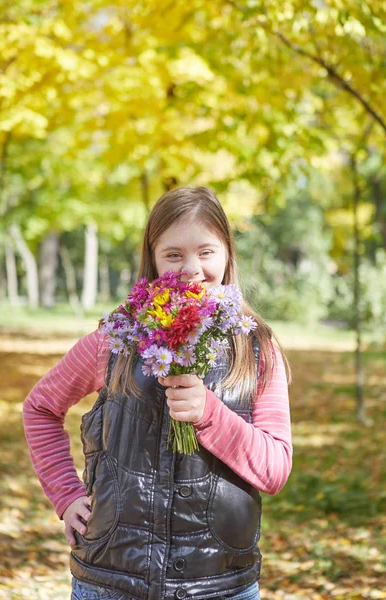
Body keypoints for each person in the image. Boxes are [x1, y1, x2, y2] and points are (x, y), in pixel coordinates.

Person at [23, 186, 293, 600]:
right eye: (173, 255)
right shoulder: (115, 340)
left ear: (227, 254)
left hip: (219, 585)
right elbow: (40, 407)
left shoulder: (255, 348)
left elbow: (274, 470)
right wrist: (66, 495)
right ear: (152, 258)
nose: (191, 269)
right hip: (112, 579)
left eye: (206, 252)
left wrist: (209, 415)